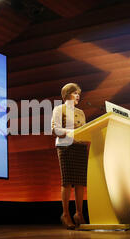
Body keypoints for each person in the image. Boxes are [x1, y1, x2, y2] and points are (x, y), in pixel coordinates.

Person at [51, 83, 88, 230]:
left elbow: (85, 129)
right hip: (65, 146)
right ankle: (65, 214)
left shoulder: (81, 112)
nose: (78, 95)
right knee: (67, 181)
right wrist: (71, 131)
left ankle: (79, 214)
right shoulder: (59, 109)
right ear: (67, 95)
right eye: (75, 93)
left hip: (80, 146)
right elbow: (55, 129)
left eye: (79, 93)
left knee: (80, 182)